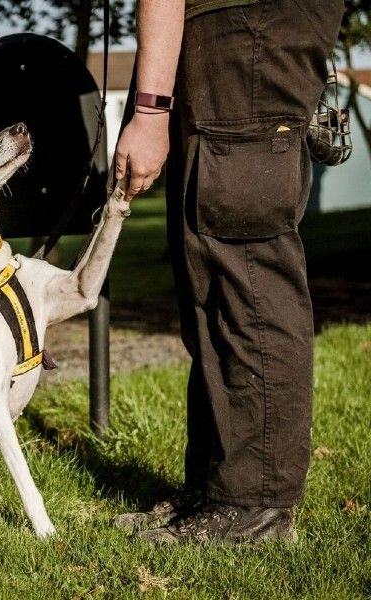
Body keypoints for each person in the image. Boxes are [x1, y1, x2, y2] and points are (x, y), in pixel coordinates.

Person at [111, 0, 346, 544]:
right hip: (235, 31)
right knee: (211, 278)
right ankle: (217, 489)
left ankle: (253, 505)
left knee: (245, 272)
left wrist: (149, 111)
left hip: (247, 31)